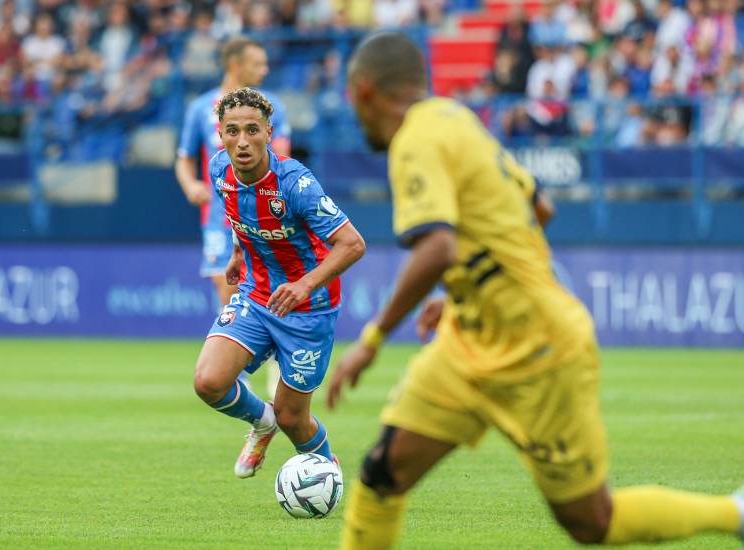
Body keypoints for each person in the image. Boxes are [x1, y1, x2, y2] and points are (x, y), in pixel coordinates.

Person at [327, 32, 744, 549]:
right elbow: (538, 208)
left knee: (593, 522)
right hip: (468, 342)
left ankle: (734, 513)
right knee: (381, 476)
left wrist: (371, 340)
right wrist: (472, 286)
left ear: (364, 90)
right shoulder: (457, 120)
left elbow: (436, 248)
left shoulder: (416, 137)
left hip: (539, 350)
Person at [194, 87, 365, 479]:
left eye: (252, 130)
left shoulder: (296, 184)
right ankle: (261, 421)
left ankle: (325, 473)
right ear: (219, 135)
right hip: (256, 294)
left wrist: (305, 284)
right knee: (209, 382)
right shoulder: (220, 168)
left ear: (269, 132)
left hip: (309, 307)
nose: (242, 141)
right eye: (232, 131)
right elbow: (240, 215)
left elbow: (352, 244)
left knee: (293, 418)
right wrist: (239, 252)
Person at [176, 36, 291, 397]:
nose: (265, 69)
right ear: (235, 66)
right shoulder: (200, 108)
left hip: (261, 217)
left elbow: (282, 158)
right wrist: (190, 184)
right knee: (227, 295)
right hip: (216, 219)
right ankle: (240, 380)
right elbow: (183, 157)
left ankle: (276, 371)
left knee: (266, 293)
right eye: (258, 63)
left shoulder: (272, 108)